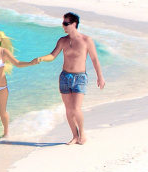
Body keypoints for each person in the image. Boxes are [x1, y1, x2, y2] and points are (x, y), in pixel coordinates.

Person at [0, 28, 49, 142]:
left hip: (1, 87)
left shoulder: (4, 52)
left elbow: (17, 63)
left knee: (2, 111)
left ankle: (6, 131)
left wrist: (30, 63)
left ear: (0, 39)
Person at [39, 13, 105, 144]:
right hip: (65, 77)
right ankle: (75, 136)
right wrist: (41, 58)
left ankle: (82, 133)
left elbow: (94, 59)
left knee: (75, 108)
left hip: (79, 77)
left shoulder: (86, 40)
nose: (63, 26)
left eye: (66, 23)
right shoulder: (62, 41)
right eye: (63, 23)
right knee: (68, 109)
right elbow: (53, 55)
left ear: (74, 24)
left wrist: (100, 77)